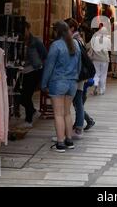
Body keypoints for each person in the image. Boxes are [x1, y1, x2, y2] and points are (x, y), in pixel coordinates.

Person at [41, 21, 81, 153]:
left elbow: (49, 66)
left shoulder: (56, 45)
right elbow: (79, 66)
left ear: (56, 31)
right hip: (72, 83)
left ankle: (60, 142)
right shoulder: (75, 44)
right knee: (67, 113)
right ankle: (69, 140)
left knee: (58, 114)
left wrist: (43, 83)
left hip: (58, 82)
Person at [19, 22, 47, 128]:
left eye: (24, 30)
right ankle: (33, 112)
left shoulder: (35, 41)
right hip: (22, 72)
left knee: (26, 95)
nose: (23, 33)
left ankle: (29, 119)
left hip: (34, 71)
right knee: (21, 96)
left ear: (28, 29)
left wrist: (42, 70)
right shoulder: (19, 41)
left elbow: (44, 55)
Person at [88, 27, 110, 96]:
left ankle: (95, 87)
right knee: (103, 75)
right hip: (104, 60)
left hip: (96, 59)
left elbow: (89, 47)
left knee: (96, 74)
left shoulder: (94, 39)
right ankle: (101, 90)